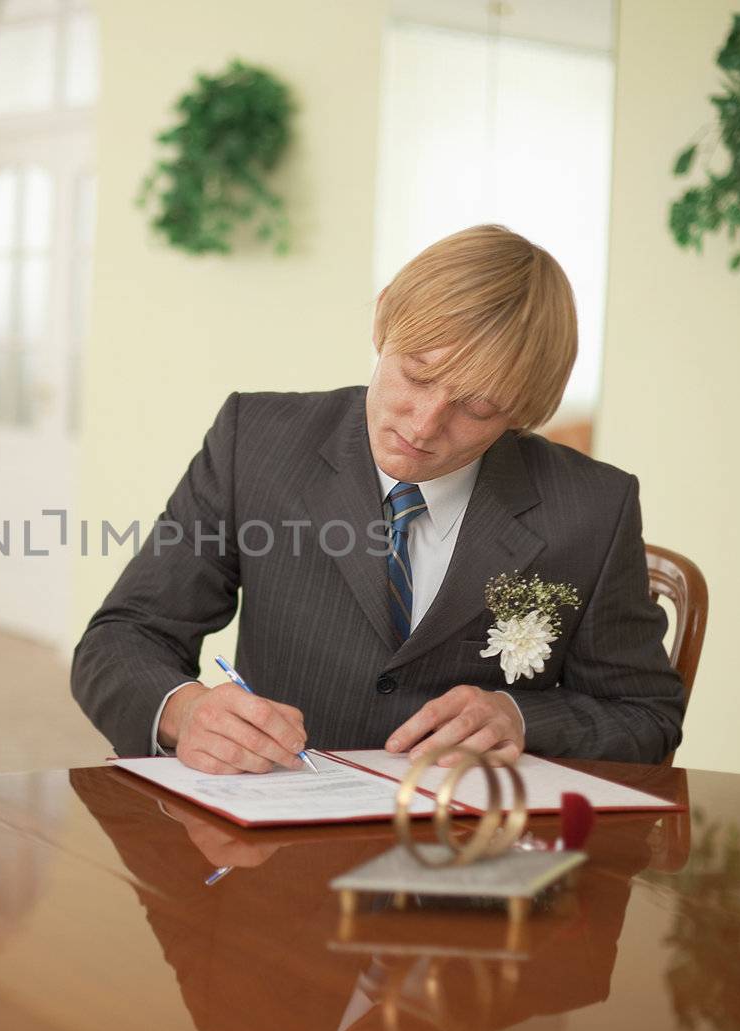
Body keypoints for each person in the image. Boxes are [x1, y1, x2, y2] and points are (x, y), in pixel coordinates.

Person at [72, 225, 684, 773]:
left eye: (477, 407)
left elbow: (646, 717)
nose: (422, 426)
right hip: (279, 850)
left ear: (525, 413)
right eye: (416, 375)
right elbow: (123, 638)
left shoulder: (594, 508)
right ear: (382, 322)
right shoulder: (254, 441)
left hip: (473, 861)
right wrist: (186, 711)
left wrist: (520, 718)